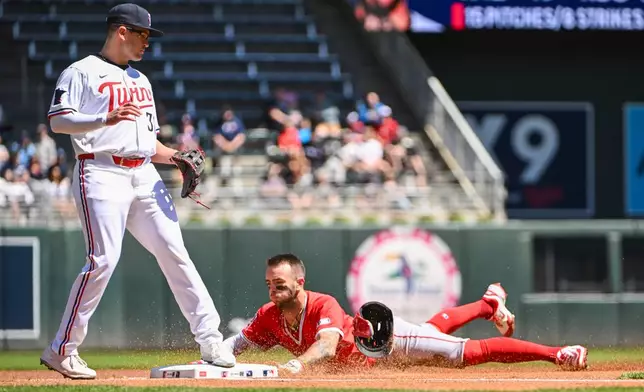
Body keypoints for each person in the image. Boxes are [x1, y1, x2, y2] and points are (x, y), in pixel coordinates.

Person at [39, 3, 235, 380]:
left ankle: (210, 339)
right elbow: (58, 121)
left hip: (144, 173)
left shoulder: (141, 80)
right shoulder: (81, 71)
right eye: (143, 34)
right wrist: (103, 118)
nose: (148, 42)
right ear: (122, 31)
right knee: (103, 260)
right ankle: (62, 349)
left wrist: (175, 156)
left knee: (175, 252)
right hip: (99, 170)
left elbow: (147, 141)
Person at [220, 253, 588, 375]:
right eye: (270, 283)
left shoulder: (322, 303)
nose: (273, 288)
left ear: (299, 281)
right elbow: (239, 343)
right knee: (434, 331)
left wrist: (296, 366)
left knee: (463, 353)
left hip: (388, 345)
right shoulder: (268, 315)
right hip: (374, 365)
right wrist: (213, 356)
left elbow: (328, 347)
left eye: (280, 282)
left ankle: (558, 353)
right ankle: (489, 304)